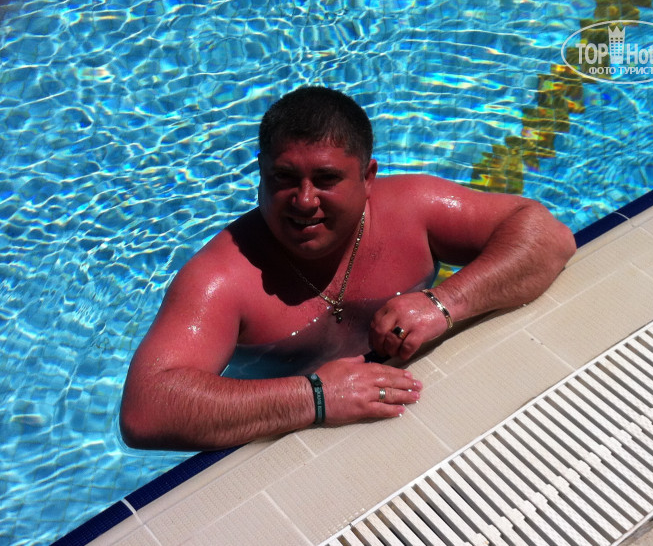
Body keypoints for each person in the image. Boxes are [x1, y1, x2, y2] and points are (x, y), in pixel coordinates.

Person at [120, 86, 576, 451]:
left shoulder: (413, 210)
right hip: (297, 446)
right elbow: (146, 410)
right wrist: (315, 397)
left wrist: (444, 303)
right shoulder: (222, 276)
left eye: (326, 179)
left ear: (367, 177)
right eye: (283, 178)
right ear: (260, 172)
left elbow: (547, 236)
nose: (304, 200)